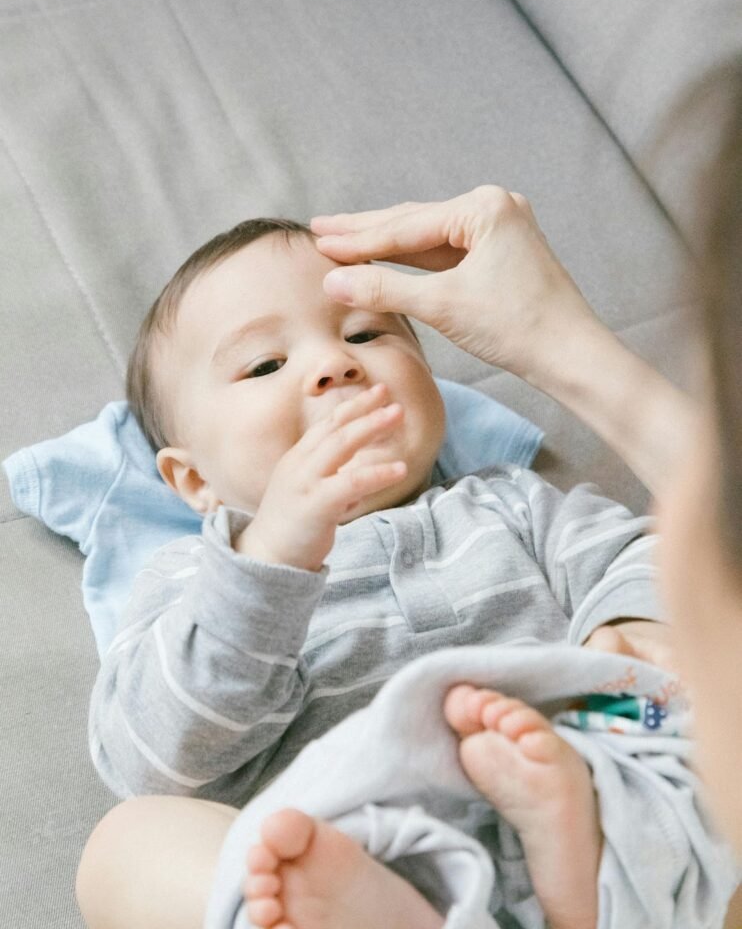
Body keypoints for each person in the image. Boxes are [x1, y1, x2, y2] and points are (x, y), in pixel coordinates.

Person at [75, 215, 690, 929]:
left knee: (674, 695)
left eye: (366, 333)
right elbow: (151, 761)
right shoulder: (197, 580)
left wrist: (631, 626)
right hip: (345, 850)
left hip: (570, 770)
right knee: (126, 843)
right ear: (194, 482)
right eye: (265, 365)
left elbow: (642, 559)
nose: (333, 364)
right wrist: (269, 559)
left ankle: (583, 865)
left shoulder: (509, 504)